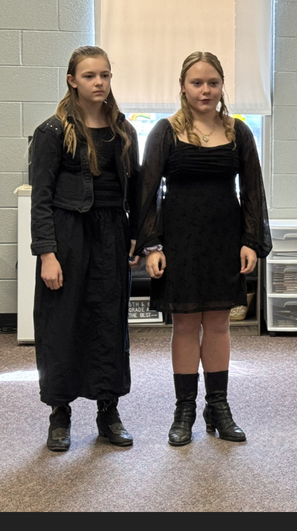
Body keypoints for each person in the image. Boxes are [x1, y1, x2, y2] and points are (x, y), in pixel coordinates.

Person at [135, 50, 271, 446]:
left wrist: (250, 241)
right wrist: (151, 245)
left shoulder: (238, 132)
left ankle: (219, 406)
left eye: (213, 82)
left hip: (223, 240)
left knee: (218, 323)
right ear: (182, 87)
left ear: (222, 86)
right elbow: (147, 193)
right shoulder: (164, 131)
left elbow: (253, 191)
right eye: (197, 83)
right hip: (178, 242)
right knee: (185, 324)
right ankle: (185, 410)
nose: (205, 90)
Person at [30, 45, 140, 454]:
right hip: (68, 234)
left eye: (105, 75)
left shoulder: (123, 130)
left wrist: (137, 234)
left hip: (111, 232)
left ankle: (108, 410)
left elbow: (138, 186)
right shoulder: (53, 132)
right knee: (62, 323)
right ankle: (60, 413)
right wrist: (47, 253)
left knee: (108, 321)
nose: (100, 82)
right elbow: (41, 198)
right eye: (91, 75)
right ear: (72, 80)